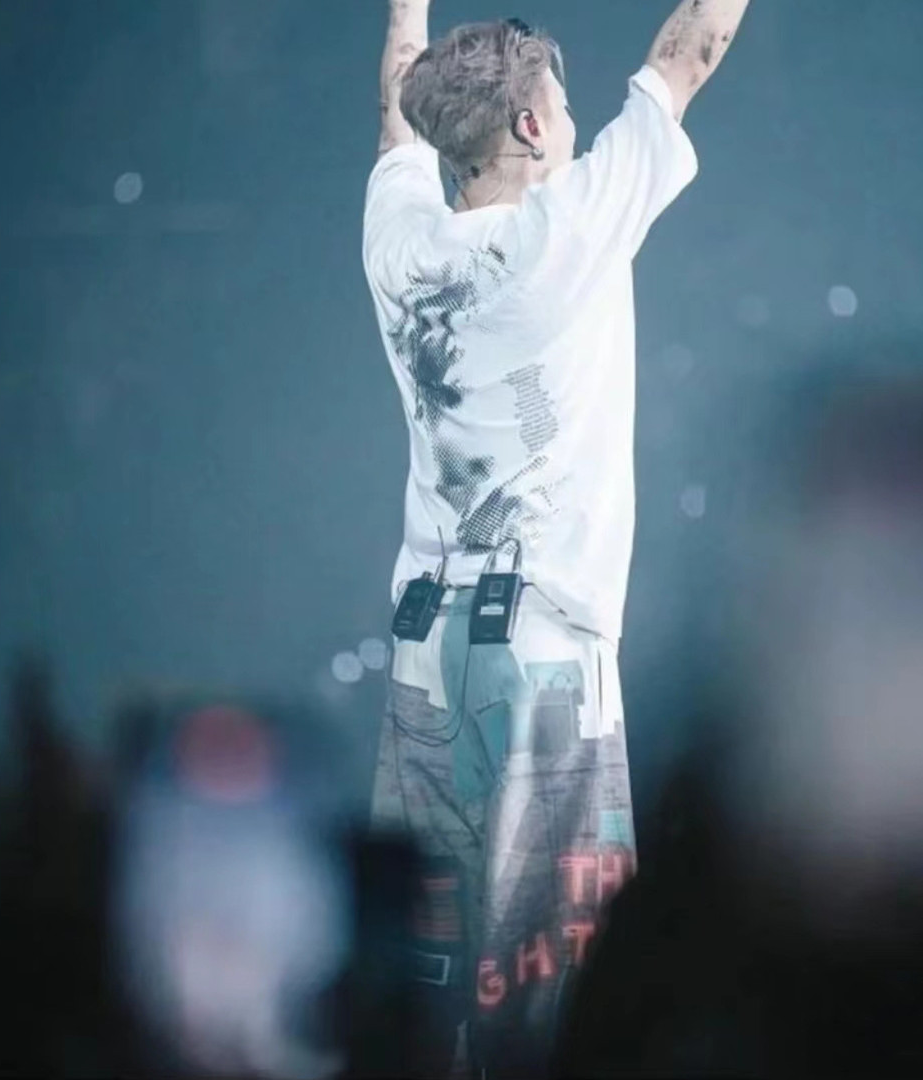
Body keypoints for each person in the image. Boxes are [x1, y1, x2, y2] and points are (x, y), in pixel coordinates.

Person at [361, 2, 751, 1076]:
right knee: (553, 981)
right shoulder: (569, 229)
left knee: (424, 970)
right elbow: (688, 53)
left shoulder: (399, 242)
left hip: (426, 655)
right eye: (563, 106)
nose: (575, 124)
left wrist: (406, 11)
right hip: (541, 660)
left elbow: (397, 119)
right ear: (531, 127)